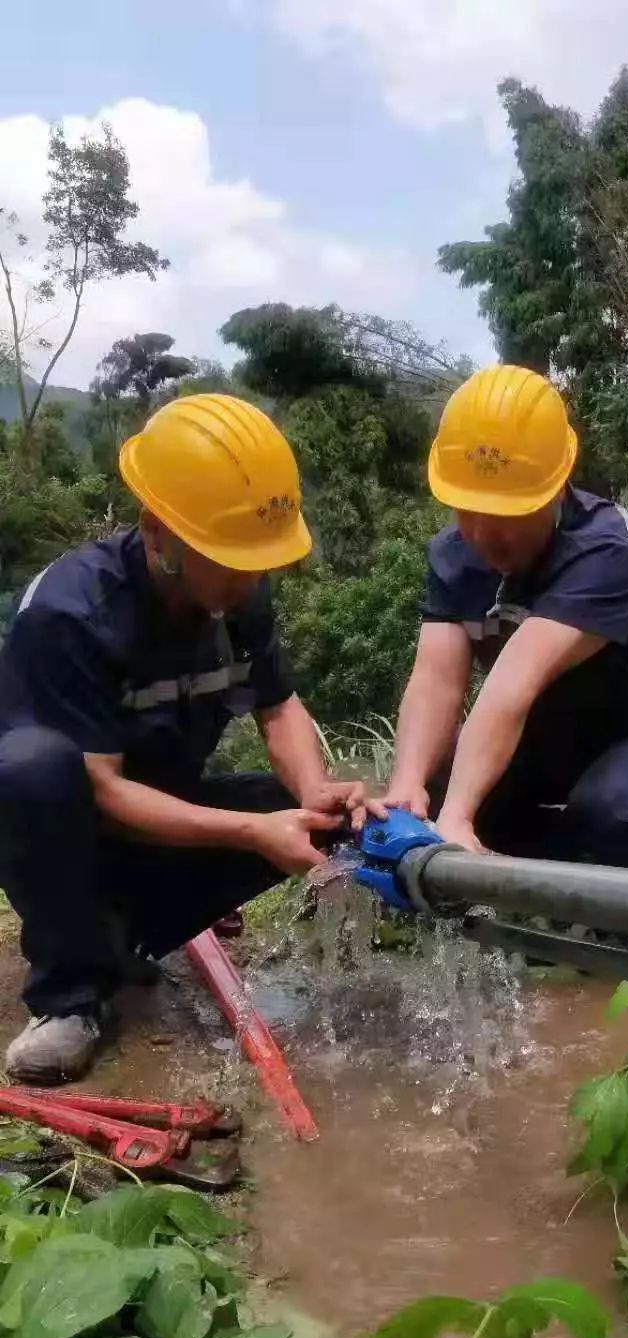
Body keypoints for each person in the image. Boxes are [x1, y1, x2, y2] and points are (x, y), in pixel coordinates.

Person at [0, 394, 367, 1083]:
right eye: (230, 558)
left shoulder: (235, 595)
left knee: (321, 815)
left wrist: (313, 792)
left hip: (170, 816)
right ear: (158, 532)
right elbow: (101, 791)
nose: (251, 576)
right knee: (33, 766)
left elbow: (279, 705)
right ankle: (69, 997)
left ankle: (126, 931)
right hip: (68, 830)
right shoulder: (71, 615)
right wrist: (251, 833)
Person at [377, 364, 628, 871]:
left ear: (556, 485)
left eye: (507, 514)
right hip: (557, 739)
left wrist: (457, 815)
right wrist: (407, 787)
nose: (482, 534)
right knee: (437, 786)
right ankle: (568, 890)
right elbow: (436, 681)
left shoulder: (606, 548)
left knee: (611, 812)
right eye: (467, 509)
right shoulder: (452, 556)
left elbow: (511, 686)